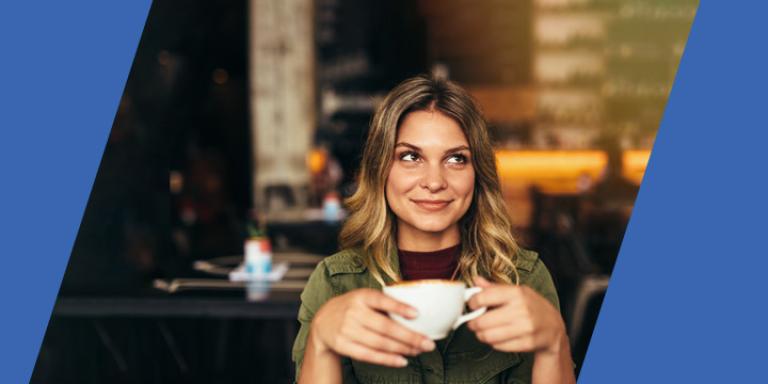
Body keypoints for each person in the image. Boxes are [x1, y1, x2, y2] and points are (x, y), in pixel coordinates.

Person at [292, 76, 575, 383]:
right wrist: (320, 342)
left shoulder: (525, 279)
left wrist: (555, 342)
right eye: (411, 157)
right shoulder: (335, 285)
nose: (435, 181)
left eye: (456, 159)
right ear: (380, 169)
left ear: (477, 173)